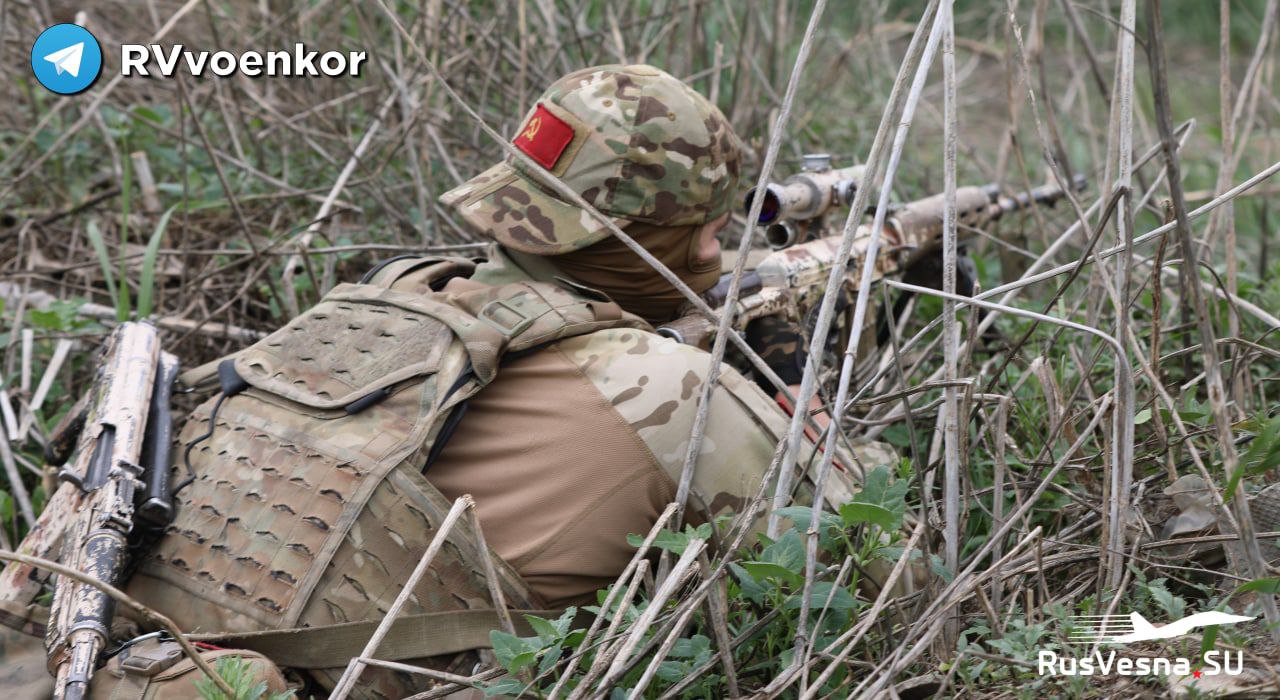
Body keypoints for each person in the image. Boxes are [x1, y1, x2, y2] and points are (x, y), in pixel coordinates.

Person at [0, 64, 892, 698]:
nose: (717, 253)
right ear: (680, 238)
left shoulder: (383, 300)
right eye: (713, 232)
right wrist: (786, 373)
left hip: (88, 650)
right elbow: (874, 561)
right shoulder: (667, 388)